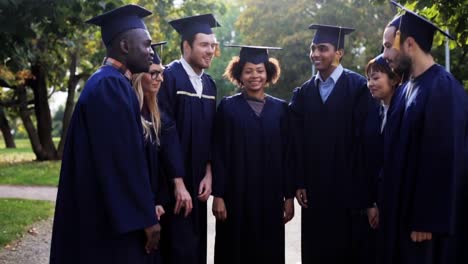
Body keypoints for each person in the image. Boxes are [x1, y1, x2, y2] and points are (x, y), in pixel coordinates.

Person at [50, 5, 161, 264]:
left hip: (105, 211)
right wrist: (145, 217)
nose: (151, 52)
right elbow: (122, 160)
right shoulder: (110, 86)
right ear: (124, 45)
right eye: (146, 45)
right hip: (107, 220)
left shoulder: (109, 82)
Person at [380, 1, 468, 264]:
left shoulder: (442, 88)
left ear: (409, 44)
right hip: (402, 214)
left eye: (387, 46)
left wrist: (426, 218)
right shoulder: (406, 89)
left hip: (425, 228)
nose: (384, 54)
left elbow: (445, 158)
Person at [289, 24, 372, 263]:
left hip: (348, 191)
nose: (316, 54)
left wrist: (364, 193)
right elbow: (296, 141)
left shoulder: (359, 88)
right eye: (313, 48)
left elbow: (365, 143)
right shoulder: (303, 93)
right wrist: (300, 180)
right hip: (314, 191)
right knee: (316, 250)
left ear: (339, 53)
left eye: (322, 48)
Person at [211, 45, 295, 264]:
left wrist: (288, 197)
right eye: (248, 71)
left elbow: (288, 155)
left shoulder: (280, 110)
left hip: (269, 197)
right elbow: (219, 153)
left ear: (268, 73)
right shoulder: (228, 108)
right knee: (234, 250)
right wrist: (218, 195)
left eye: (259, 70)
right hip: (235, 197)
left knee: (268, 250)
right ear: (239, 74)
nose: (254, 75)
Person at [157, 14, 220, 264]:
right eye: (204, 44)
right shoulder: (168, 78)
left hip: (198, 182)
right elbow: (165, 130)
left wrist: (208, 172)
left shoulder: (209, 84)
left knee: (196, 247)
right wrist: (178, 182)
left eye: (213, 45)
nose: (210, 50)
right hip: (173, 183)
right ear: (186, 46)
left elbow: (210, 134)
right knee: (175, 247)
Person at [363, 54, 402, 263]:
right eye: (369, 78)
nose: (370, 83)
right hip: (376, 204)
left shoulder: (404, 112)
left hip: (397, 205)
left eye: (376, 78)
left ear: (394, 79)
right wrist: (371, 203)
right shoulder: (375, 114)